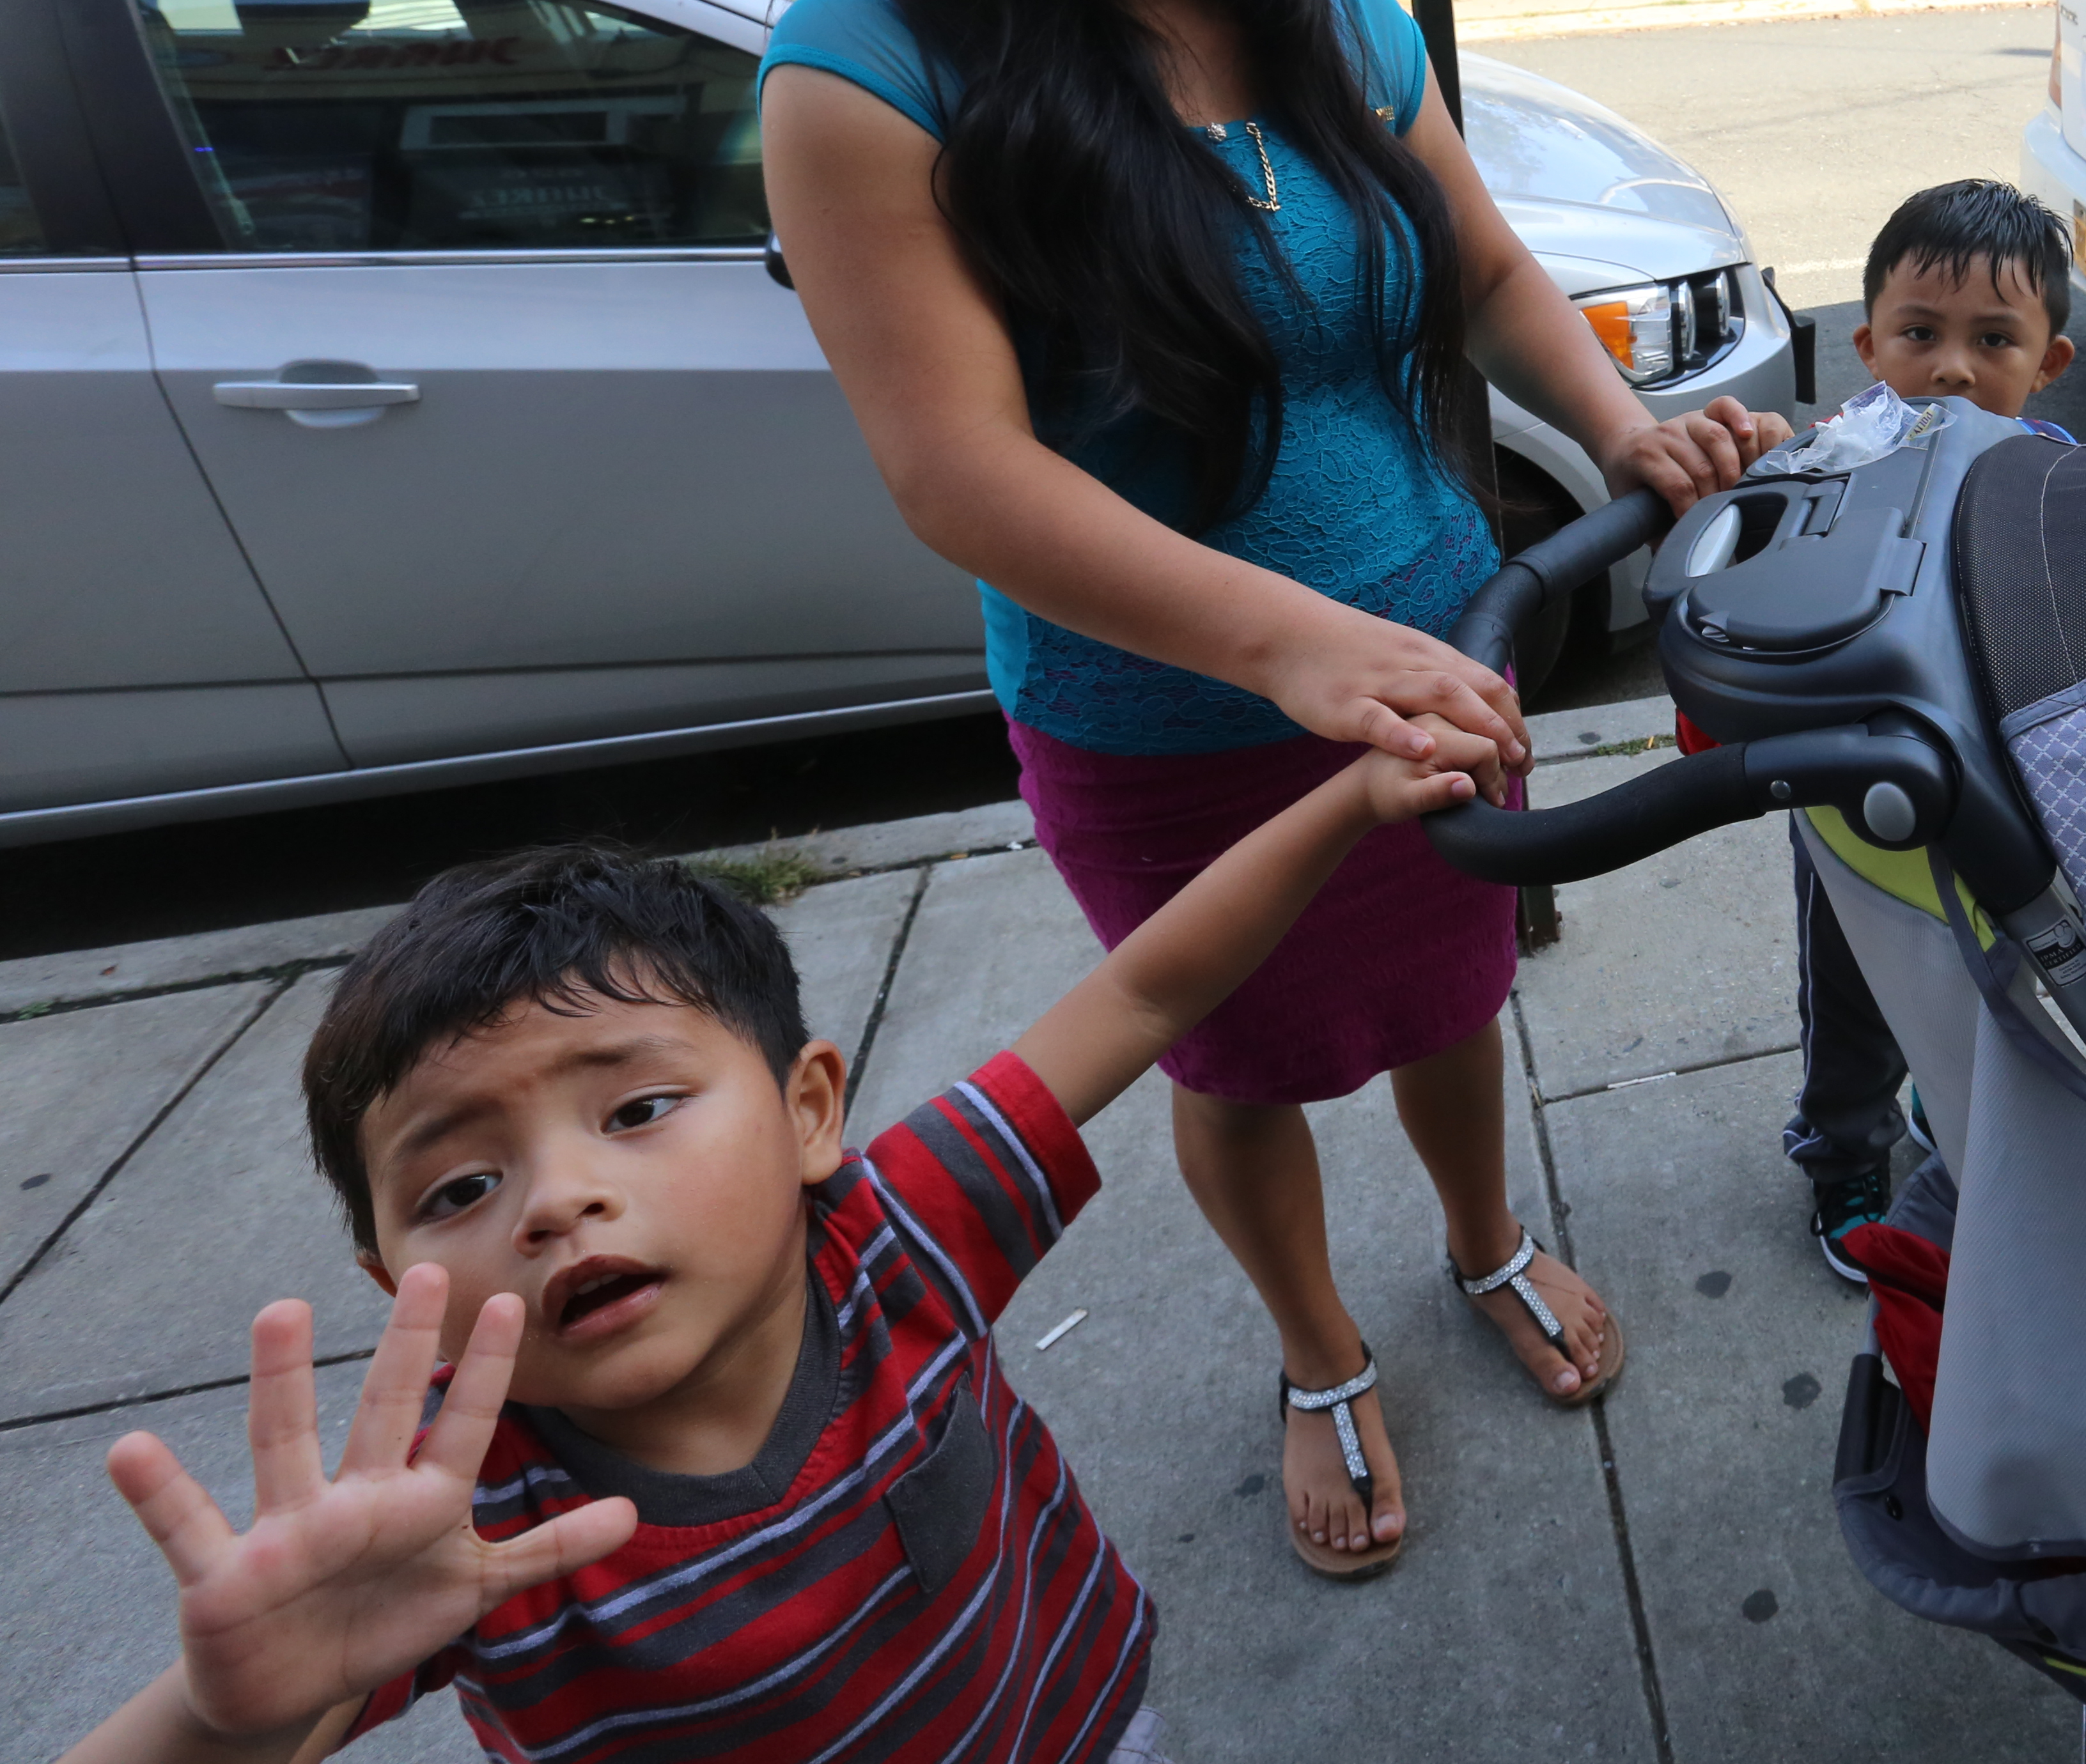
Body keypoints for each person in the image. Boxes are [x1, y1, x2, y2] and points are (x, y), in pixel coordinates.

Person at [756, 0, 1778, 1578]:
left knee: (1449, 994)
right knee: (1241, 1052)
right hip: (1162, 715)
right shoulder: (863, 70)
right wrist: (1285, 648)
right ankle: (1321, 1350)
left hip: (1444, 637)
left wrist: (1626, 428)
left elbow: (1490, 272)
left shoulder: (1326, 9)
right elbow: (960, 473)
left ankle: (1487, 1245)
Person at [56, 729, 1500, 1764]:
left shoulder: (896, 1234)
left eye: (634, 1106)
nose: (553, 1200)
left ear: (811, 1110)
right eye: (456, 1189)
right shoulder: (451, 1512)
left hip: (1077, 1718)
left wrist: (1347, 799)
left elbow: (1142, 987)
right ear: (400, 1292)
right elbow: (282, 1686)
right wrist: (223, 1713)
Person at [1784, 182, 2079, 1281]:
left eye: (1993, 339)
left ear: (2048, 362)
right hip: (1852, 787)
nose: (1953, 366)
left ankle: (1934, 1088)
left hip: (1998, 784)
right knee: (1852, 984)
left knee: (1979, 965)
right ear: (1870, 346)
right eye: (1921, 334)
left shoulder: (2053, 470)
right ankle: (1840, 1147)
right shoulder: (1836, 463)